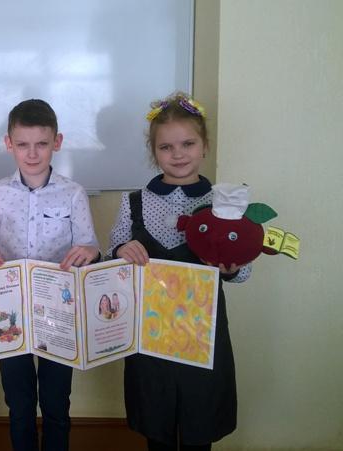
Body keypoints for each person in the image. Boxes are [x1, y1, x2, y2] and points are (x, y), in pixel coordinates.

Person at [107, 92, 251, 451]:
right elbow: (112, 259)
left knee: (199, 424)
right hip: (149, 336)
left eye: (188, 144)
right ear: (154, 152)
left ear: (205, 146)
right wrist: (120, 251)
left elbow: (243, 271)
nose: (178, 154)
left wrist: (230, 269)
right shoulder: (133, 201)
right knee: (156, 425)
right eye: (166, 147)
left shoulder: (223, 204)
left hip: (202, 336)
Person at [0, 99, 100, 451]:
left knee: (57, 401)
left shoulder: (73, 193)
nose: (32, 153)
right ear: (8, 144)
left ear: (56, 142)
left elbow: (89, 245)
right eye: (23, 144)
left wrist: (90, 251)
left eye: (41, 144)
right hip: (10, 311)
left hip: (58, 311)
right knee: (19, 402)